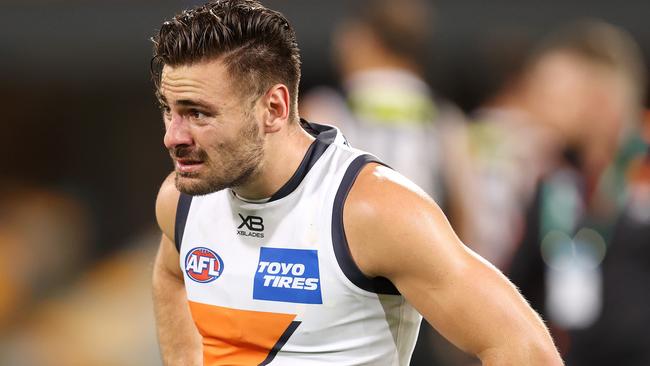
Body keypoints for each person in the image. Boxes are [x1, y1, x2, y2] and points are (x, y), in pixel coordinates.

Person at [150, 1, 562, 365]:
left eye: (198, 113)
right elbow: (170, 276)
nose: (173, 137)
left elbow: (526, 350)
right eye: (170, 110)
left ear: (274, 109)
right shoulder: (181, 200)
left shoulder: (374, 211)